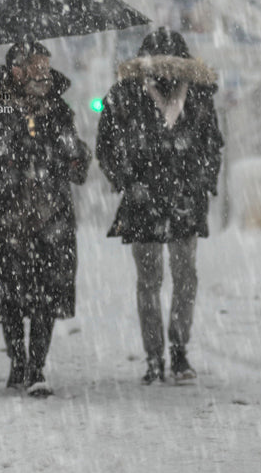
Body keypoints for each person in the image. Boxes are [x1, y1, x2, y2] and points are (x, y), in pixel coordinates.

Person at [96, 26, 224, 384]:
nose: (166, 72)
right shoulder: (124, 96)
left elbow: (213, 144)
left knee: (185, 278)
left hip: (185, 200)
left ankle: (179, 351)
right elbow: (105, 146)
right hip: (143, 202)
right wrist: (126, 181)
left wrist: (202, 183)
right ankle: (155, 356)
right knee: (149, 281)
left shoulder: (197, 96)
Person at [0, 40, 90, 397]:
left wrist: (73, 156)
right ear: (16, 69)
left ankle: (37, 367)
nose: (42, 72)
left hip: (51, 219)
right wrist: (8, 160)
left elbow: (74, 157)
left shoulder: (58, 110)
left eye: (45, 65)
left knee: (47, 294)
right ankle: (18, 362)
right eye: (35, 65)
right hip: (6, 221)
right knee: (11, 296)